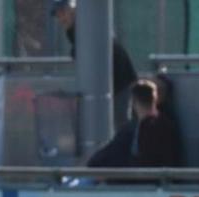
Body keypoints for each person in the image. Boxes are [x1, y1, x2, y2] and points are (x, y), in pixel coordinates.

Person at [51, 0, 137, 128]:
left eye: (63, 12)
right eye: (58, 14)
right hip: (113, 82)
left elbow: (92, 50)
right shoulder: (76, 29)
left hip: (120, 81)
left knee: (121, 125)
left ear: (73, 10)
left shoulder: (85, 25)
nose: (60, 18)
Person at [87, 80, 182, 169]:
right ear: (155, 98)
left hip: (139, 180)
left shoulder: (139, 128)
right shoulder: (164, 123)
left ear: (134, 101)